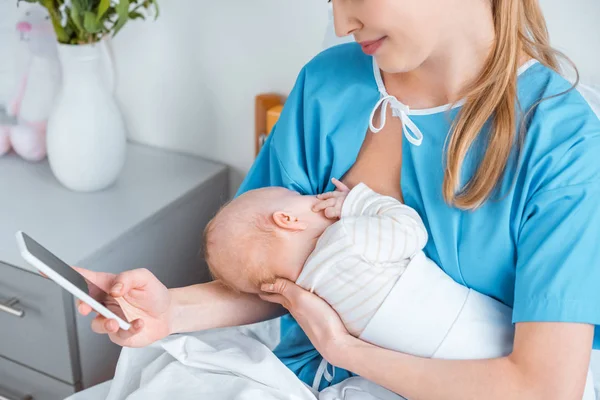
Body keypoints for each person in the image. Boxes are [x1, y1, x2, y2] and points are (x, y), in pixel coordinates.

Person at [77, 0, 600, 398]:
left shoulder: (562, 142)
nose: (341, 21)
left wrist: (345, 350)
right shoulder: (328, 84)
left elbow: (543, 387)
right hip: (305, 373)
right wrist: (170, 310)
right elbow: (277, 275)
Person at [203, 178, 519, 393]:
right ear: (287, 219)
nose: (318, 198)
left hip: (429, 376)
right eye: (304, 197)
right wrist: (358, 202)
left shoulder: (311, 297)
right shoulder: (347, 239)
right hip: (473, 330)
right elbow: (411, 230)